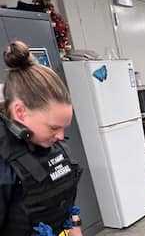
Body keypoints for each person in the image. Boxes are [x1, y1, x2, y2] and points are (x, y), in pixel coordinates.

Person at [0, 41, 83, 236]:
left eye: (64, 127)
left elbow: (66, 204)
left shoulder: (51, 145)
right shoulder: (4, 161)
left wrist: (76, 227)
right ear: (20, 112)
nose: (61, 136)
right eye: (54, 127)